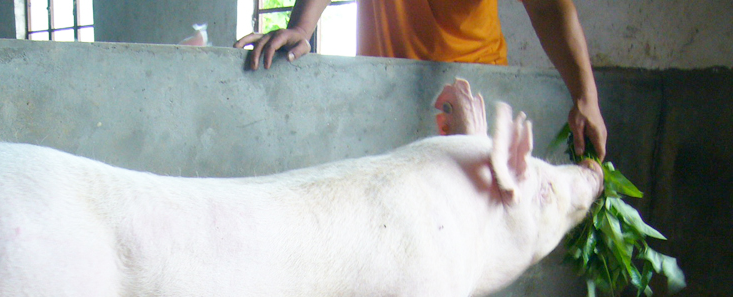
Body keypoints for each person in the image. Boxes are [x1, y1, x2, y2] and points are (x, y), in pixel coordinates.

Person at [235, 0, 607, 159]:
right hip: (381, 98)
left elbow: (547, 8)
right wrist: (302, 27)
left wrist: (585, 97)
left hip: (471, 103)